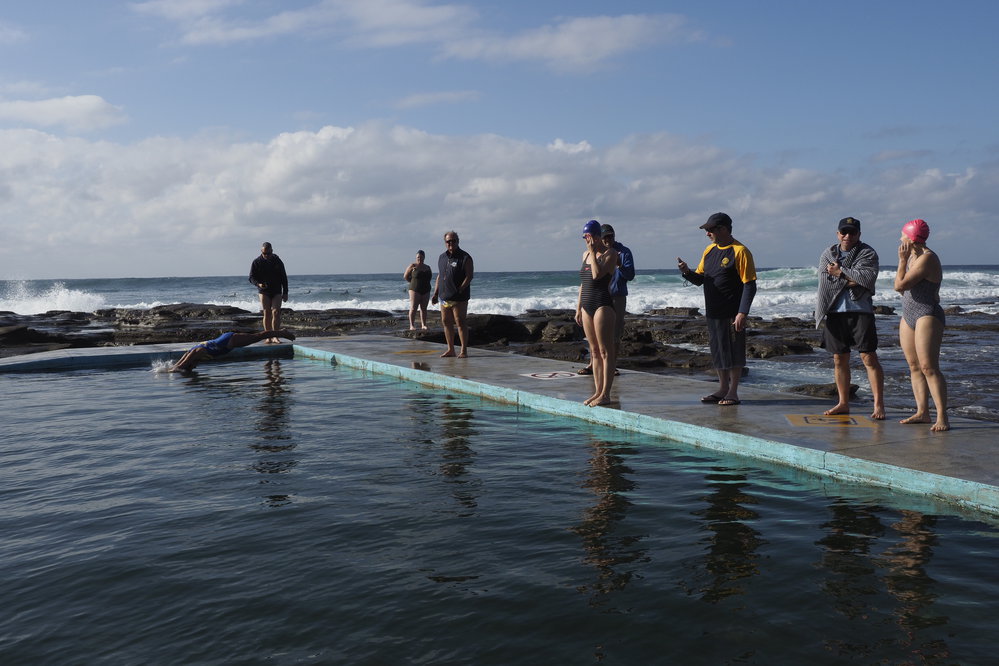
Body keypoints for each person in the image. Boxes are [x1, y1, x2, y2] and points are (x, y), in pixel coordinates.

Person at [677, 212, 757, 406]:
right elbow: (701, 279)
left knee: (734, 352)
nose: (707, 233)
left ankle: (733, 391)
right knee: (719, 351)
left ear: (723, 229)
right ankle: (722, 388)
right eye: (707, 230)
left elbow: (750, 284)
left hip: (732, 312)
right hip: (713, 311)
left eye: (710, 230)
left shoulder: (740, 251)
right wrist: (687, 272)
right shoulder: (709, 251)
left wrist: (742, 312)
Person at [815, 216, 885, 420]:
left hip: (860, 310)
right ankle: (843, 403)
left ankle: (879, 404)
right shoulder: (828, 253)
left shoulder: (868, 252)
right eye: (843, 232)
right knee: (839, 359)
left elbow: (867, 278)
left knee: (868, 357)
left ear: (859, 235)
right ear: (838, 234)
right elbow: (824, 279)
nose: (847, 236)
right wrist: (850, 277)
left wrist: (839, 273)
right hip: (835, 311)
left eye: (852, 232)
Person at [893, 219, 949, 431]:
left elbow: (899, 284)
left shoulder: (927, 258)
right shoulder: (912, 256)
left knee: (929, 367)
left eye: (903, 235)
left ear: (912, 238)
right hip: (908, 314)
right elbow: (901, 290)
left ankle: (942, 416)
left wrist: (901, 261)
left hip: (927, 314)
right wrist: (905, 260)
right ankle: (922, 412)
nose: (900, 239)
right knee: (914, 367)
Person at [578, 223, 635, 376]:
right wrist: (578, 308)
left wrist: (619, 265)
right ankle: (592, 364)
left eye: (611, 236)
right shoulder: (593, 253)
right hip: (595, 298)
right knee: (594, 337)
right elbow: (585, 282)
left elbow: (630, 275)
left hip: (616, 296)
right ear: (600, 238)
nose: (608, 239)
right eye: (605, 237)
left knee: (614, 334)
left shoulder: (622, 252)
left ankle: (612, 366)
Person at [575, 220, 619, 406]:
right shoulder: (585, 254)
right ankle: (597, 391)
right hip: (586, 304)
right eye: (585, 236)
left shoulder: (611, 254)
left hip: (603, 305)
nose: (587, 240)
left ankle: (605, 394)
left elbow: (597, 275)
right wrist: (578, 308)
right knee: (593, 352)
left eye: (590, 236)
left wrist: (593, 252)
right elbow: (583, 283)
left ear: (598, 236)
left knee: (605, 351)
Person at [431, 231, 473, 358]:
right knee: (446, 322)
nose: (451, 243)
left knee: (460, 321)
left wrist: (460, 289)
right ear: (445, 242)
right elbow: (440, 276)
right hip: (444, 296)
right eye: (448, 241)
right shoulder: (442, 257)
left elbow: (469, 276)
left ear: (458, 241)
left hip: (459, 297)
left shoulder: (465, 257)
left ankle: (463, 350)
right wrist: (435, 293)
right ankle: (451, 349)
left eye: (453, 241)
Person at [170, 329, 296, 372]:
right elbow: (186, 354)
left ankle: (282, 332)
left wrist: (181, 366)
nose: (195, 368)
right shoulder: (193, 355)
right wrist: (176, 366)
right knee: (258, 336)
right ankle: (281, 332)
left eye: (192, 367)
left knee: (258, 336)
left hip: (229, 340)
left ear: (192, 362)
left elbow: (192, 353)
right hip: (225, 340)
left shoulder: (198, 354)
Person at [248, 242, 289, 343]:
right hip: (264, 291)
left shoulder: (277, 261)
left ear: (272, 251)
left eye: (268, 253)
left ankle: (275, 336)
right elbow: (251, 277)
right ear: (261, 252)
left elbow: (284, 277)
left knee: (276, 312)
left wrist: (285, 292)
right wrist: (258, 284)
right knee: (267, 312)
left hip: (276, 290)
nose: (266, 256)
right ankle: (268, 336)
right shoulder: (256, 262)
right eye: (264, 253)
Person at [404, 250, 433, 330]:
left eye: (421, 257)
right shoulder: (413, 265)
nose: (419, 258)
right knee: (413, 307)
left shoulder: (427, 267)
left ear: (424, 257)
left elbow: (429, 277)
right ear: (416, 257)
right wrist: (412, 281)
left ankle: (423, 324)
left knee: (424, 308)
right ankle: (412, 325)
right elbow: (405, 276)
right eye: (418, 257)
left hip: (426, 289)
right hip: (414, 289)